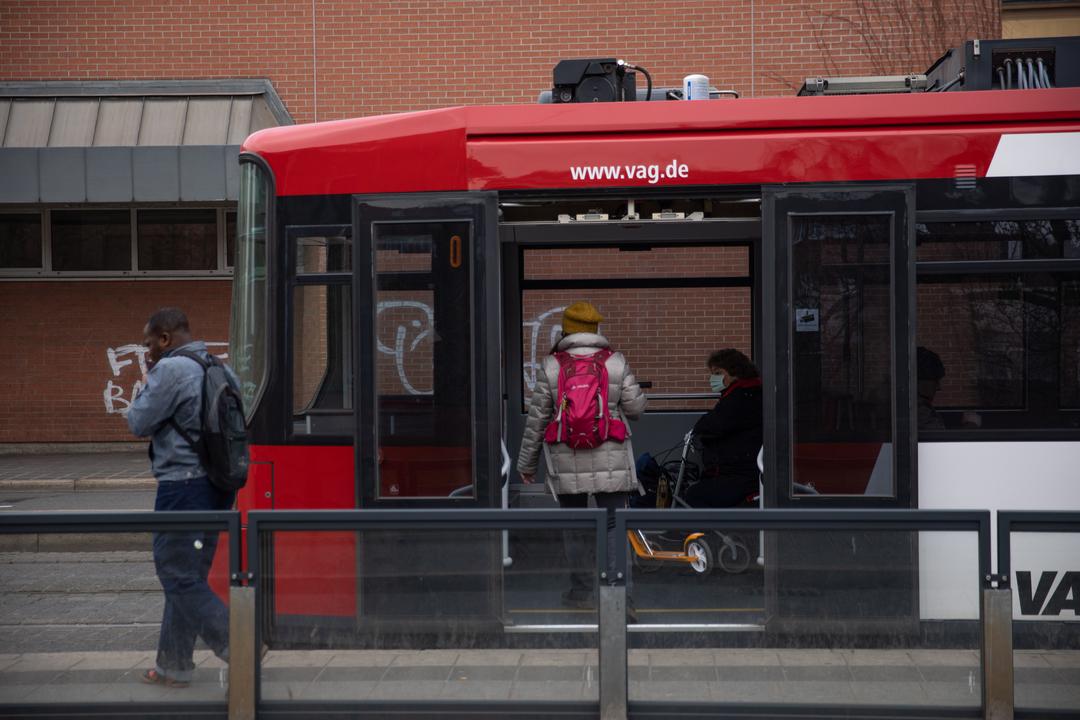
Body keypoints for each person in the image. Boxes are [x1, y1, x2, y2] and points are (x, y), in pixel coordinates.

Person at [127, 308, 235, 688]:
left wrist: (144, 386)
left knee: (176, 575)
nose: (147, 351)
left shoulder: (171, 370)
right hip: (218, 486)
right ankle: (173, 665)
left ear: (165, 338)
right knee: (188, 576)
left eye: (148, 343)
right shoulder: (218, 366)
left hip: (182, 487)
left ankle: (238, 645)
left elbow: (138, 422)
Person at [517, 301, 646, 610]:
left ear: (566, 330)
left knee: (575, 525)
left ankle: (581, 594)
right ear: (595, 330)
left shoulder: (552, 365)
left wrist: (527, 463)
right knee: (614, 524)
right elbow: (636, 408)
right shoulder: (615, 362)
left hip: (565, 457)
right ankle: (618, 595)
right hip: (611, 459)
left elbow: (537, 419)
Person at [684, 349, 763, 508]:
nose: (713, 378)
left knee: (694, 495)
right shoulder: (748, 393)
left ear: (735, 373)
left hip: (740, 475)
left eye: (718, 373)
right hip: (744, 472)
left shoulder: (740, 398)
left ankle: (704, 533)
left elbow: (710, 425)